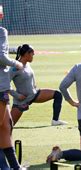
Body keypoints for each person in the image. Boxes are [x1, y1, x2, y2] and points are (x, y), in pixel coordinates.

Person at [10, 44, 67, 126]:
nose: (33, 56)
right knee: (8, 126)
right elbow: (4, 84)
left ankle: (55, 120)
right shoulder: (15, 67)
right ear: (26, 54)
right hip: (22, 100)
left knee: (57, 95)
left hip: (34, 94)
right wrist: (17, 95)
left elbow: (28, 78)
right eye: (32, 54)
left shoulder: (27, 64)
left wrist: (33, 86)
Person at [0, 17, 24, 169]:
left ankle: (14, 166)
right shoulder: (2, 31)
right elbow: (1, 57)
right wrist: (17, 63)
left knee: (6, 126)